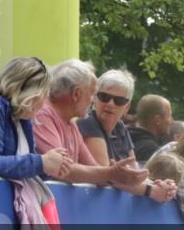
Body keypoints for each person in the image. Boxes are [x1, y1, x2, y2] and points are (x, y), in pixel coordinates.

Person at [31, 59, 151, 192]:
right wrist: (112, 174)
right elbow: (62, 169)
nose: (93, 100)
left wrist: (122, 176)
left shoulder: (70, 123)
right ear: (76, 94)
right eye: (94, 94)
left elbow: (94, 169)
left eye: (119, 101)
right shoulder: (42, 114)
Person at [78, 69, 137, 165]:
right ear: (94, 98)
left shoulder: (120, 127)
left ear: (127, 108)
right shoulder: (87, 123)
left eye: (119, 100)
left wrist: (156, 181)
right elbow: (104, 174)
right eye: (104, 97)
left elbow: (134, 170)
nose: (110, 104)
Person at [129, 94, 173, 162]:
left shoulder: (123, 140)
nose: (172, 121)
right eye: (170, 116)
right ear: (158, 120)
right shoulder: (151, 151)